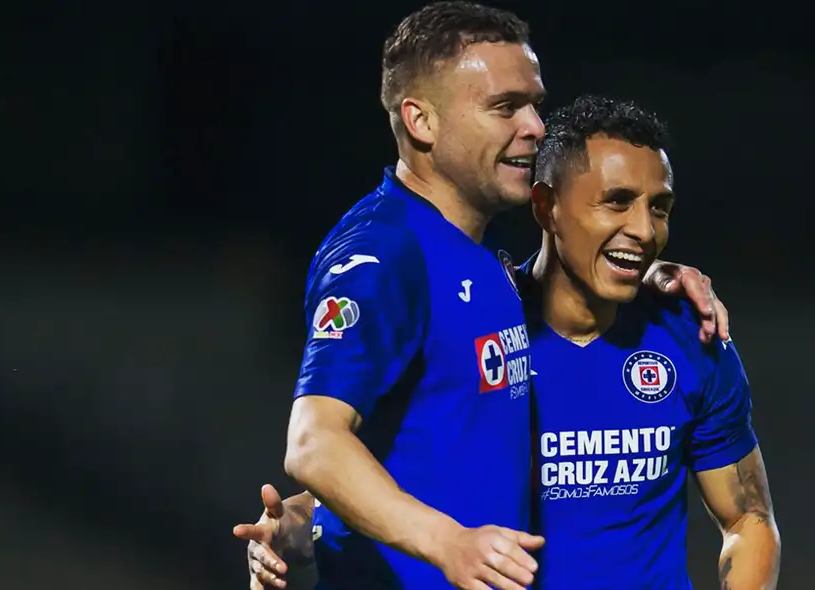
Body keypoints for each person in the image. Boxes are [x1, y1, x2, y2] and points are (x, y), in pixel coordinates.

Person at [237, 3, 731, 590]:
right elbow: (315, 442)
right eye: (505, 107)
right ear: (421, 121)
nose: (536, 128)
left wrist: (643, 268)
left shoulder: (479, 254)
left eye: (535, 104)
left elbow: (421, 440)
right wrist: (449, 544)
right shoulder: (381, 254)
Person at [525, 95, 780, 589]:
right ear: (546, 206)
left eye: (658, 208)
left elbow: (748, 519)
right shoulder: (480, 331)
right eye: (617, 201)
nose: (644, 230)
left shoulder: (692, 337)